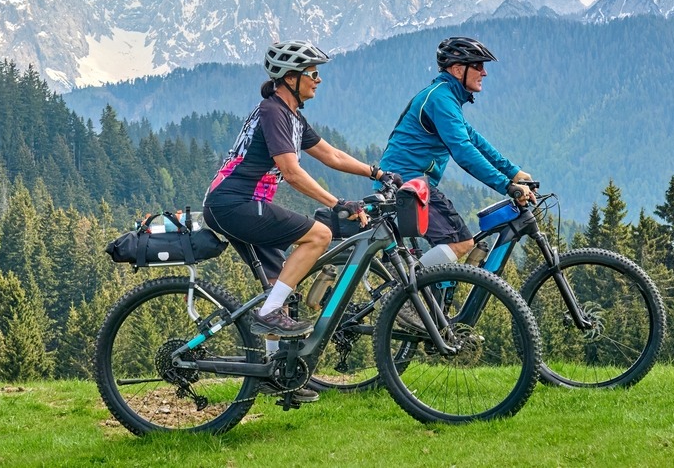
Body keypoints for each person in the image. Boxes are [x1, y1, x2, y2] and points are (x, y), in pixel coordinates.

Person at [203, 39, 389, 402]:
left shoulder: (290, 115)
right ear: (291, 78)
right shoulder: (274, 112)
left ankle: (278, 376)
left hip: (237, 204)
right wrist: (338, 204)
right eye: (313, 74)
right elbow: (291, 172)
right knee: (317, 235)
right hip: (235, 203)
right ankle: (269, 312)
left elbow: (330, 154)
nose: (318, 80)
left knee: (280, 283)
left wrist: (377, 172)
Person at [379, 36, 535, 272]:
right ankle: (403, 292)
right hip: (408, 183)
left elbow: (475, 140)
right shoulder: (441, 99)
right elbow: (463, 151)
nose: (484, 73)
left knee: (443, 263)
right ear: (458, 69)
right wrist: (507, 185)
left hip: (408, 181)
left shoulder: (446, 97)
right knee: (459, 242)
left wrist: (514, 172)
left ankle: (413, 291)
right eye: (479, 66)